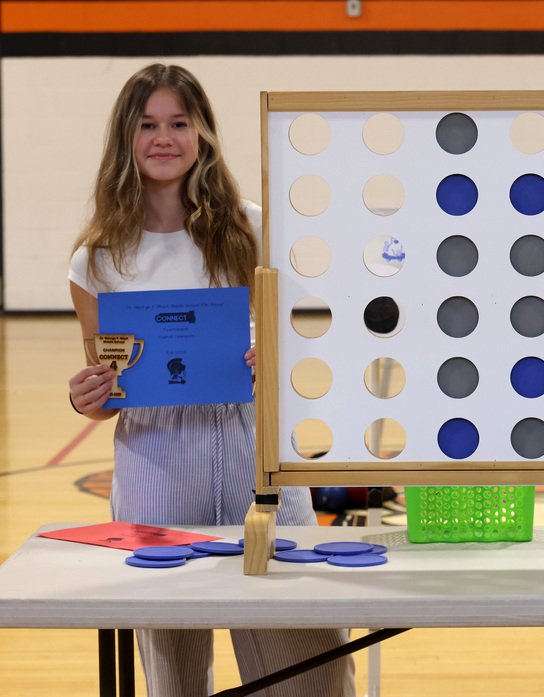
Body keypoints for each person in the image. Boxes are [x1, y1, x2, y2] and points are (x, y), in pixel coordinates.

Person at [67, 63, 355, 697]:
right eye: (147, 124)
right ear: (125, 137)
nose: (163, 137)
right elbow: (109, 385)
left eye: (178, 122)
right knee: (173, 675)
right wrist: (87, 396)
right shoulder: (94, 259)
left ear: (203, 135)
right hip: (156, 465)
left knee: (311, 663)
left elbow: (301, 338)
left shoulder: (250, 225)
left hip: (256, 451)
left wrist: (269, 359)